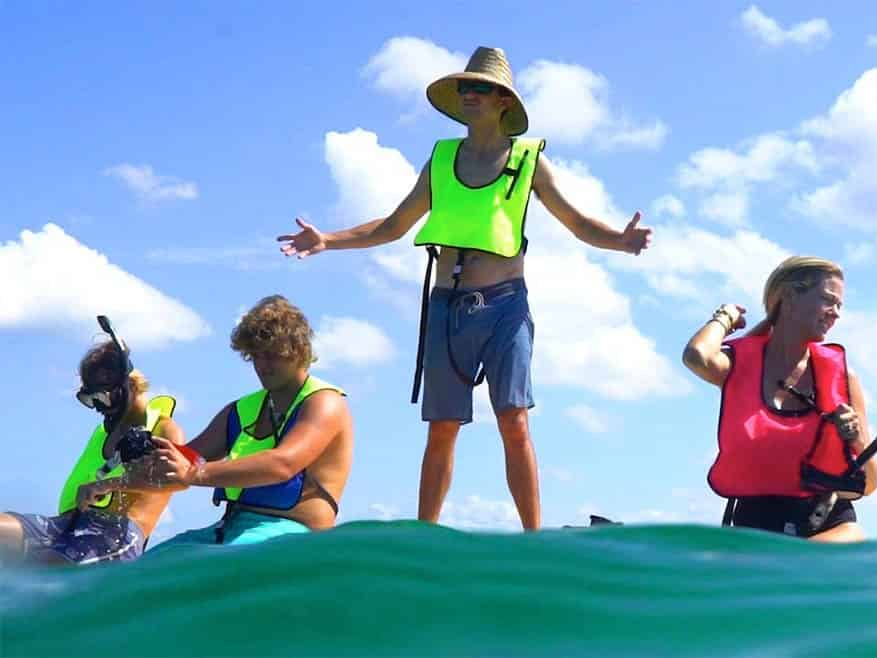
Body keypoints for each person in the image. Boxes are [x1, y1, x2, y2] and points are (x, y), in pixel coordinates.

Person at [276, 47, 652, 531]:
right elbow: (393, 225)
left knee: (514, 420)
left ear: (503, 101)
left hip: (506, 305)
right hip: (446, 307)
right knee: (442, 428)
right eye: (465, 88)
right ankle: (425, 534)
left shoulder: (528, 160)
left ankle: (532, 538)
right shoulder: (441, 158)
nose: (470, 95)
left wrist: (620, 241)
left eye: (481, 88)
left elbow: (577, 222)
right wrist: (328, 239)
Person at [86, 296, 354, 546]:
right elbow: (178, 466)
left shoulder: (325, 402)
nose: (262, 365)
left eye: (272, 354)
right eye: (255, 355)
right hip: (231, 527)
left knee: (212, 566)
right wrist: (109, 484)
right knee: (155, 563)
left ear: (298, 350)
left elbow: (283, 464)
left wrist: (194, 473)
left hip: (293, 534)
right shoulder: (239, 411)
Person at [682, 256, 877, 542]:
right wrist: (725, 316)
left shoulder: (845, 379)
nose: (836, 313)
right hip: (756, 528)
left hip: (829, 527)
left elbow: (870, 485)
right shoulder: (740, 365)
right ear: (788, 296)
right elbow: (696, 356)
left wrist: (855, 439)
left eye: (840, 305)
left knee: (809, 557)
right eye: (828, 300)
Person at [1, 317, 185, 565]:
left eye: (100, 397)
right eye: (89, 399)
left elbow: (178, 479)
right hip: (66, 525)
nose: (97, 407)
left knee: (46, 565)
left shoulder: (164, 428)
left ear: (129, 384)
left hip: (116, 533)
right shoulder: (103, 434)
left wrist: (110, 484)